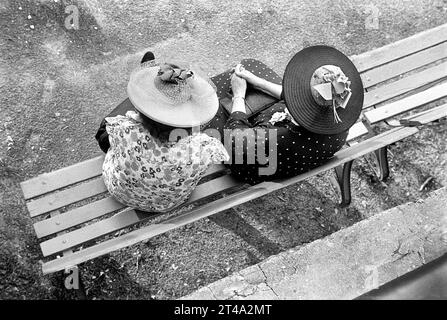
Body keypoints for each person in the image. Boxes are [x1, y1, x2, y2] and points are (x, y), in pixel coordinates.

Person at [203, 45, 364, 184]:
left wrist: (239, 94)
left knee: (209, 110)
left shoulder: (280, 136)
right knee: (251, 69)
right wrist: (259, 82)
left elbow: (235, 139)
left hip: (245, 158)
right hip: (289, 153)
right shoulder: (340, 123)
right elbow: (294, 98)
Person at [98, 53, 229, 212]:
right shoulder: (204, 148)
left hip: (121, 192)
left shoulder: (125, 130)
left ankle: (150, 92)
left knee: (106, 126)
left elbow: (109, 132)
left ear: (143, 114)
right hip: (168, 202)